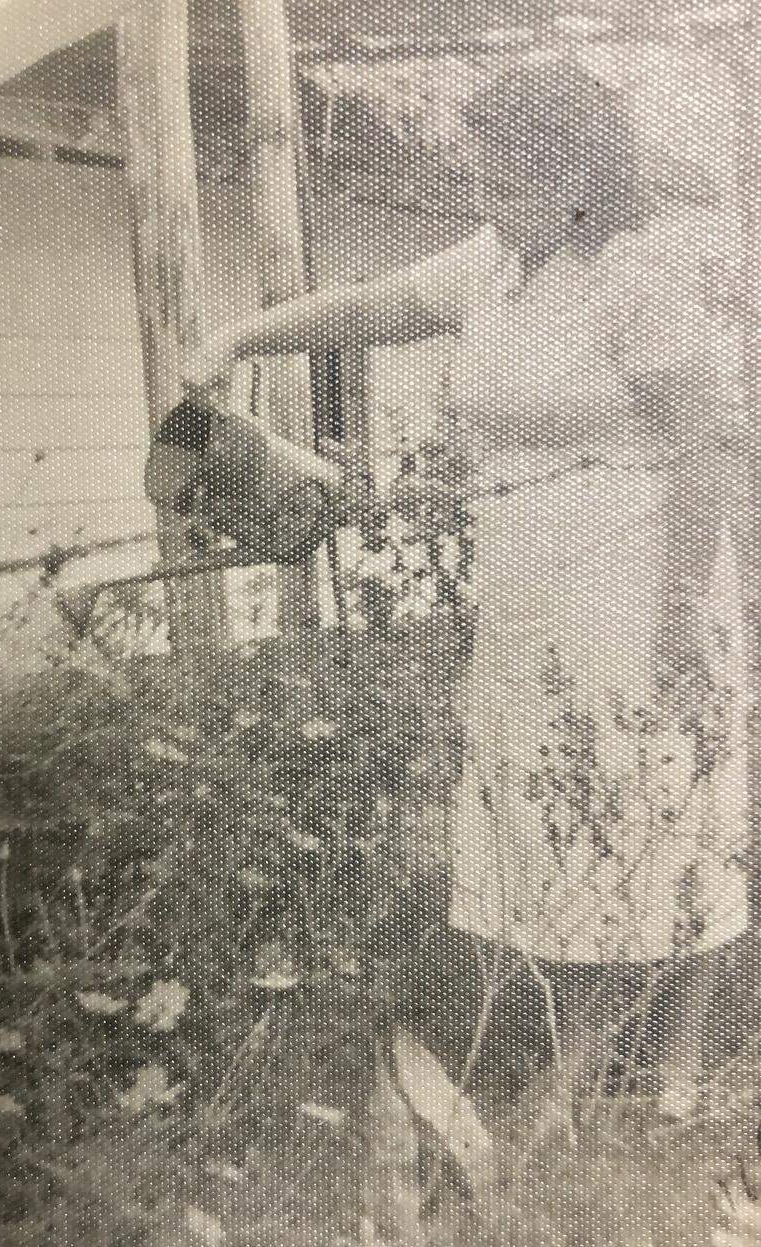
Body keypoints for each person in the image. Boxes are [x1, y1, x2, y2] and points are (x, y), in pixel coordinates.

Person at [184, 58, 753, 1119]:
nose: (486, 200)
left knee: (665, 798)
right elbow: (377, 305)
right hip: (527, 583)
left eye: (507, 181)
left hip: (637, 574)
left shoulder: (641, 275)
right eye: (480, 179)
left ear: (578, 174)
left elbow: (707, 450)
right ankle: (586, 1034)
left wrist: (679, 612)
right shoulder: (495, 262)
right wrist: (236, 338)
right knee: (553, 807)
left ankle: (647, 1064)